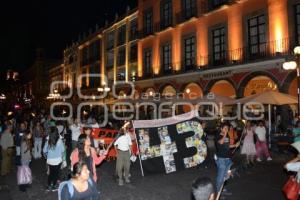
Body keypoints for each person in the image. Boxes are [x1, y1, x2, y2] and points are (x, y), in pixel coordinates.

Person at [215, 122, 240, 197]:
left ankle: (223, 189)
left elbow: (227, 146)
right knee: (220, 176)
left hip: (227, 159)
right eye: (225, 128)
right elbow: (221, 142)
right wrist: (225, 134)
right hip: (221, 159)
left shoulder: (228, 137)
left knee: (225, 176)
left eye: (227, 128)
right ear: (221, 128)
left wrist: (235, 145)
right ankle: (218, 192)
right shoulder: (217, 135)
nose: (226, 129)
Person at [43, 127, 65, 191]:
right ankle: (54, 186)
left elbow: (44, 150)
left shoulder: (48, 141)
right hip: (58, 160)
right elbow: (63, 150)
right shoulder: (59, 141)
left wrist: (47, 155)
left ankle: (49, 185)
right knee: (56, 173)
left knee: (51, 173)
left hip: (50, 160)